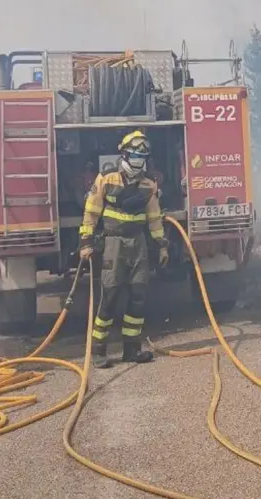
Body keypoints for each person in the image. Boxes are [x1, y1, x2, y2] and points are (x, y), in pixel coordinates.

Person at [79, 130, 169, 367]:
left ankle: (132, 349)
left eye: (143, 156)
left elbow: (154, 219)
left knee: (138, 296)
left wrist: (162, 246)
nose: (139, 160)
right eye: (135, 155)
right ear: (124, 155)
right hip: (113, 243)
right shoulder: (106, 180)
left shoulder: (148, 185)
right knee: (109, 296)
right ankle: (99, 351)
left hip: (138, 243)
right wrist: (86, 243)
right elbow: (91, 213)